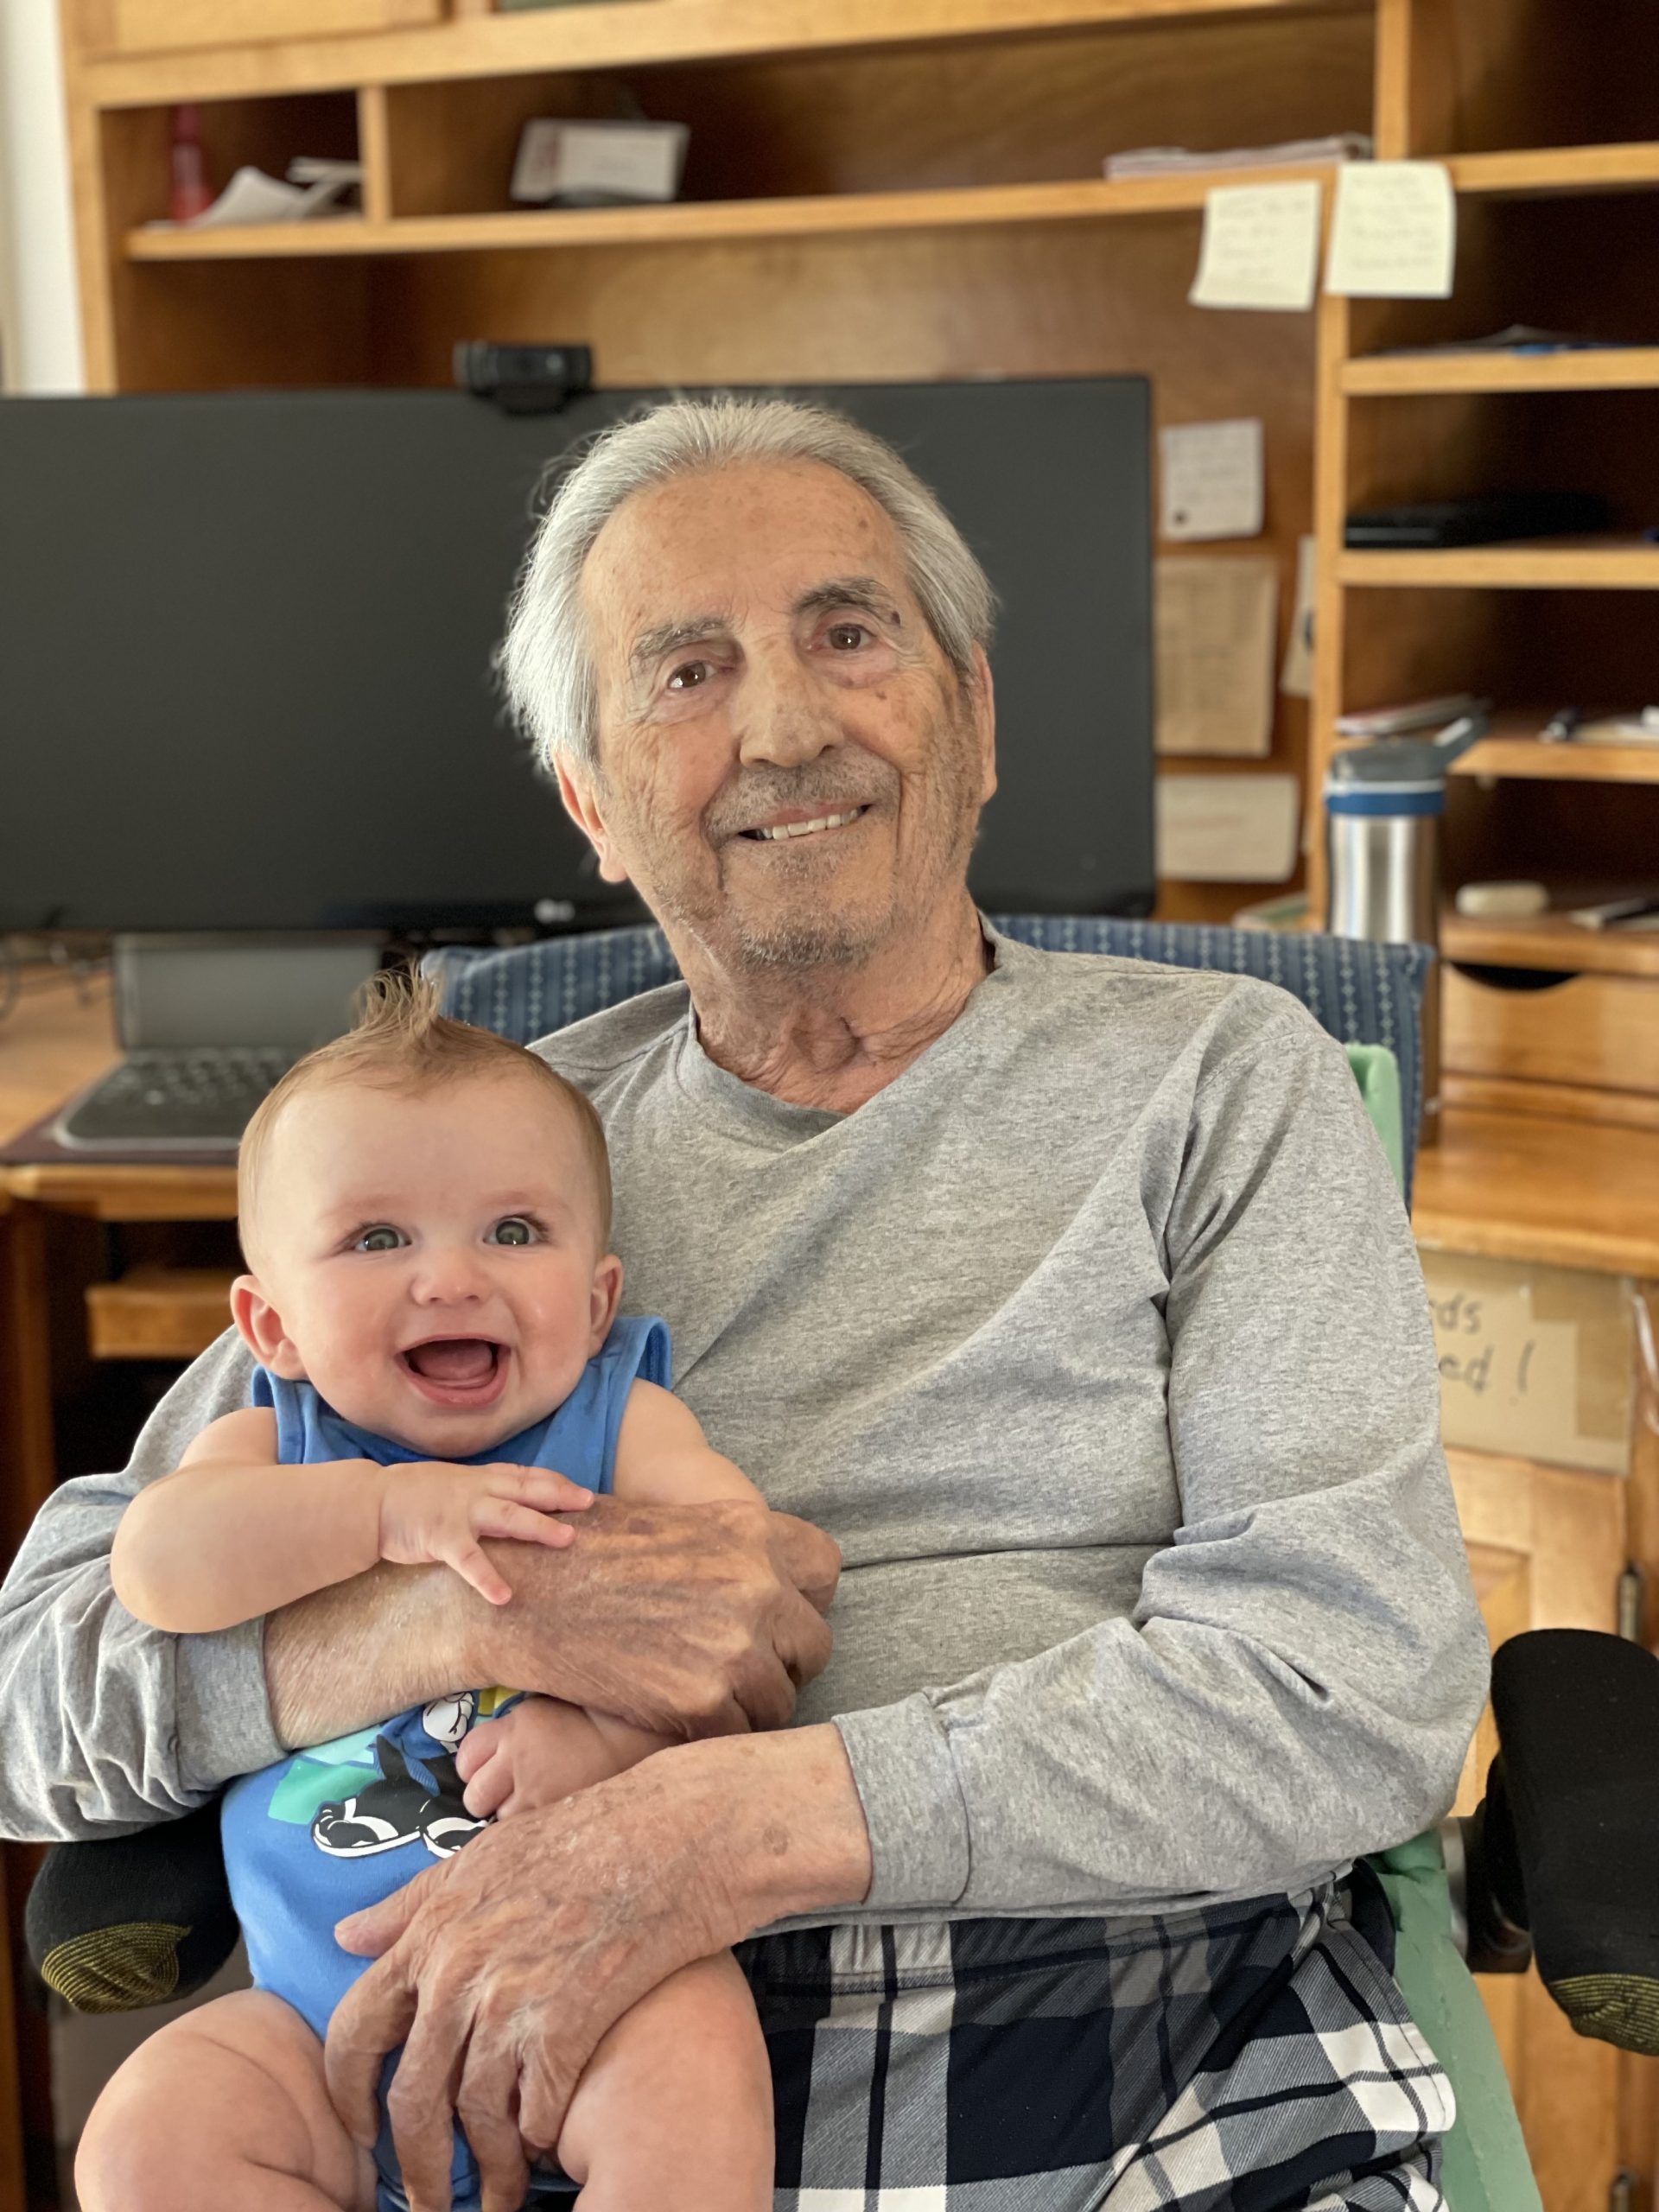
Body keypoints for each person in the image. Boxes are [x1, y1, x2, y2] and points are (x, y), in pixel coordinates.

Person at [0, 396, 1488, 2211]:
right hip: (509, 2046)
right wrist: (461, 1616)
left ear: (975, 715)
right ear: (593, 802)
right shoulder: (473, 1173)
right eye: (686, 671)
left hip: (1138, 2028)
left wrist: (709, 1830)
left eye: (847, 634)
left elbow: (1347, 1683)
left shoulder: (1215, 1084)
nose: (784, 725)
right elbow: (33, 1698)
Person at [78, 980, 774, 2212]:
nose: (451, 1278)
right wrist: (383, 1514)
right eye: (377, 1239)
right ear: (271, 1326)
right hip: (310, 2021)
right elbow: (156, 1567)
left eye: (514, 1233)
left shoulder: (624, 1422)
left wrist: (608, 1732)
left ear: (600, 1298)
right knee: (145, 2142)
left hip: (604, 1989)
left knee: (698, 2070)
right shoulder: (273, 1444)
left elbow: (741, 1603)